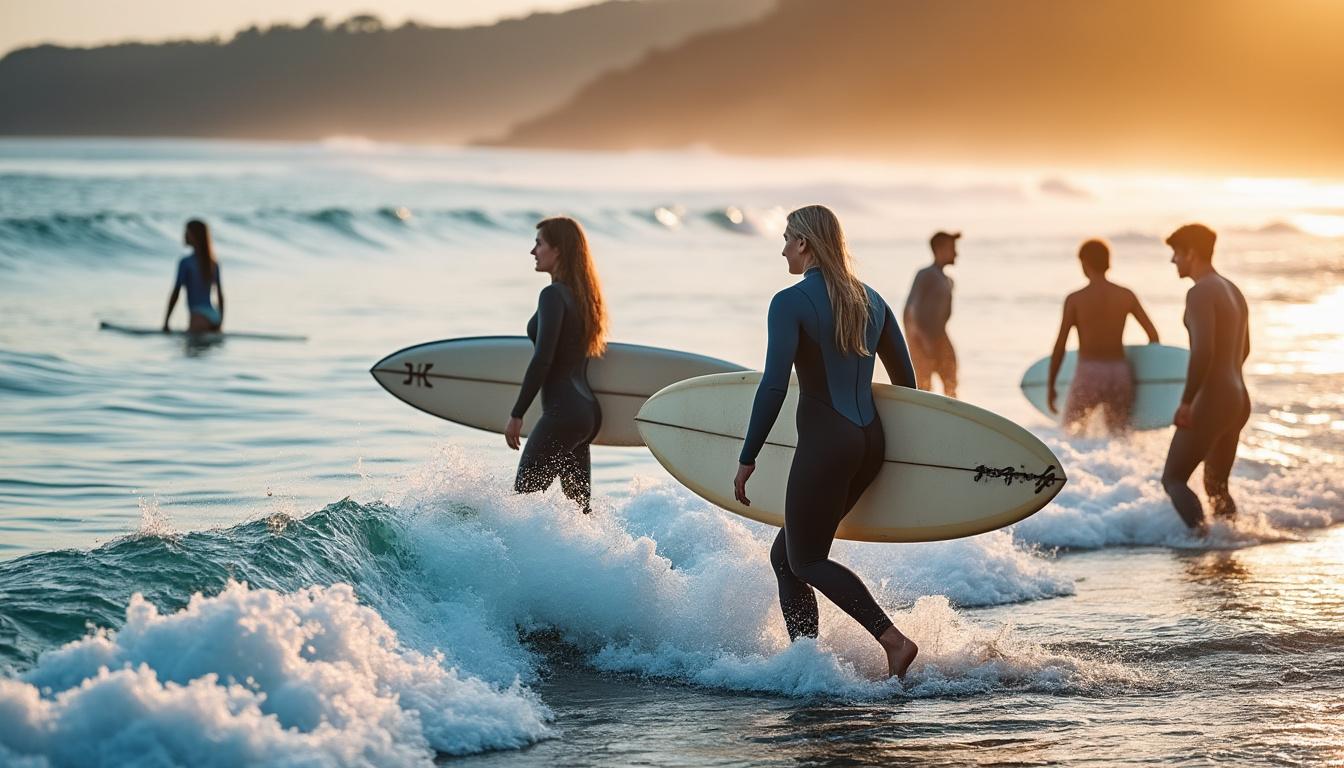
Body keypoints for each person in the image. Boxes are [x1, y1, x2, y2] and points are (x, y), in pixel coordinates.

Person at [733, 205, 920, 679]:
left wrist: (748, 455)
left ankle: (894, 641)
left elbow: (773, 386)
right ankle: (808, 663)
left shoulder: (789, 302)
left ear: (804, 243)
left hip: (825, 445)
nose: (782, 250)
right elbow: (908, 384)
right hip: (869, 445)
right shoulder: (872, 300)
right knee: (787, 557)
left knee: (807, 560)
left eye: (786, 239)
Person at [505, 217, 606, 514]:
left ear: (558, 249)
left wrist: (517, 413)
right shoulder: (585, 298)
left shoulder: (552, 295)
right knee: (579, 514)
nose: (533, 251)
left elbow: (543, 358)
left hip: (562, 415)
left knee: (521, 506)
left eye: (539, 244)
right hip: (586, 414)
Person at [1160, 224, 1251, 532]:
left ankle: (1201, 542)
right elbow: (1245, 349)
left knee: (1173, 478)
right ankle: (1231, 541)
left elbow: (1203, 351)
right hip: (1238, 397)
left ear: (1191, 253)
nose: (1173, 260)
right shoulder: (1232, 289)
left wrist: (1188, 401)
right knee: (1216, 486)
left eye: (1176, 253)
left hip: (1213, 399)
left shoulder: (1199, 292)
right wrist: (1228, 383)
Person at [1047, 239, 1160, 432]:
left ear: (1084, 263)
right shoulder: (1126, 295)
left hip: (1089, 373)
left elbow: (1060, 345)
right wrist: (1150, 378)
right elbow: (1153, 335)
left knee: (1071, 432)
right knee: (1119, 435)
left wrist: (1051, 385)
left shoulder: (1075, 299)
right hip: (1120, 373)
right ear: (1108, 261)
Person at [903, 231, 959, 397]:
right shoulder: (926, 275)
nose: (956, 253)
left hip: (940, 337)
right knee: (924, 388)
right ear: (940, 250)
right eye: (952, 248)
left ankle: (952, 412)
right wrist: (919, 340)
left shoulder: (948, 280)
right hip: (921, 341)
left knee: (951, 382)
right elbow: (910, 311)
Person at [162, 220, 223, 332]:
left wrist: (166, 322)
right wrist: (220, 321)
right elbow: (220, 295)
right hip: (214, 315)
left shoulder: (186, 263)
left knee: (191, 344)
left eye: (187, 232)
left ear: (194, 236)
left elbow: (176, 292)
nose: (184, 236)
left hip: (198, 317)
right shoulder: (213, 263)